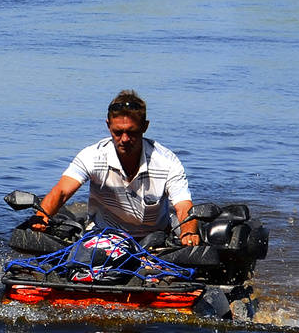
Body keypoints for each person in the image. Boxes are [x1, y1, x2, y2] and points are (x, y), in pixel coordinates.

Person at [31, 90, 201, 247]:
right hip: (105, 236)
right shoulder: (92, 156)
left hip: (155, 237)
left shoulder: (167, 161)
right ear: (108, 125)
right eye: (118, 132)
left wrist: (188, 233)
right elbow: (62, 191)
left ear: (145, 127)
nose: (124, 139)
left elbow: (183, 205)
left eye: (132, 132)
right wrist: (41, 218)